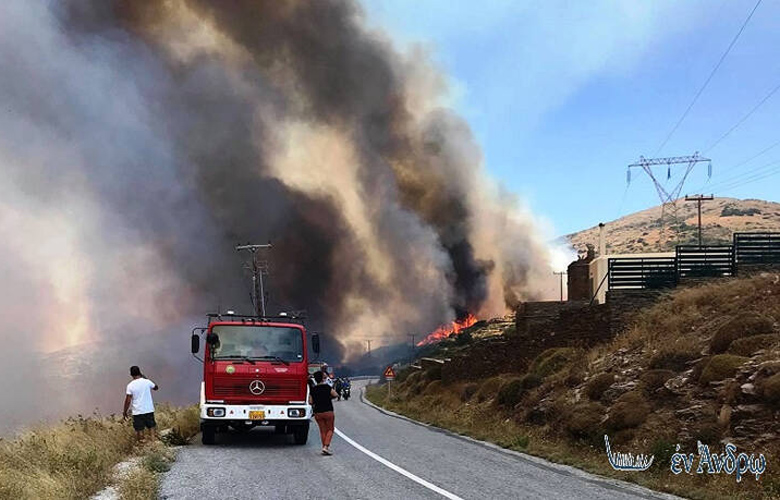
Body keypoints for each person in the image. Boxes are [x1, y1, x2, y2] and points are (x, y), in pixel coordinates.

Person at [123, 366, 159, 441]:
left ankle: (142, 447)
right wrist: (145, 378)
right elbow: (156, 388)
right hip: (148, 410)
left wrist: (125, 412)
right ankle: (154, 445)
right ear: (140, 372)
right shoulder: (147, 382)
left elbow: (128, 401)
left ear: (131, 374)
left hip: (138, 411)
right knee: (151, 428)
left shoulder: (130, 385)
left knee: (139, 430)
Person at [308, 371, 338, 455]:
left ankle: (324, 447)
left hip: (318, 412)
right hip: (328, 410)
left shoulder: (313, 390)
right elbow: (336, 395)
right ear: (322, 378)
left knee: (322, 431)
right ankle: (326, 446)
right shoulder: (327, 387)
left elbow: (310, 402)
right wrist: (328, 398)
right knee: (330, 429)